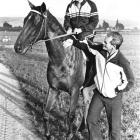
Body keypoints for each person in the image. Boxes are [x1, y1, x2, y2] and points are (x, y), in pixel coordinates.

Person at [63, 31, 134, 140]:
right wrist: (72, 41)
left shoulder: (122, 62)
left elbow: (130, 81)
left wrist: (117, 89)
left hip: (114, 98)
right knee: (91, 120)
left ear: (114, 46)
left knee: (114, 131)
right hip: (99, 95)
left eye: (106, 42)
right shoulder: (101, 50)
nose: (103, 43)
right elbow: (86, 46)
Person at [63, 0, 99, 131]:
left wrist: (82, 29)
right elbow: (66, 20)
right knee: (63, 47)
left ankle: (89, 79)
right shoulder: (70, 5)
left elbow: (94, 22)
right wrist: (68, 27)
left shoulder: (91, 5)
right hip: (72, 34)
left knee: (88, 52)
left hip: (87, 34)